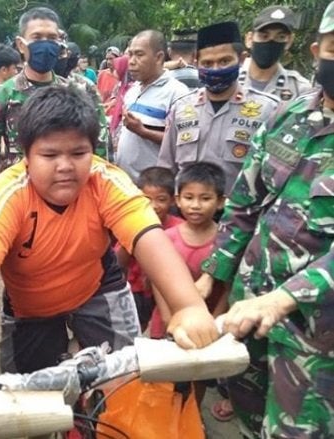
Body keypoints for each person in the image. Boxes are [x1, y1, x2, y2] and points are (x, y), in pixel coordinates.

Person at [0, 85, 220, 417]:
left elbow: (149, 237)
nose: (65, 166)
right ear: (25, 156)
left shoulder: (105, 181)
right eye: (49, 155)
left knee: (127, 386)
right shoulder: (8, 196)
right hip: (30, 307)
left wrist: (187, 306)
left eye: (78, 153)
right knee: (28, 408)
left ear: (94, 151)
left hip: (97, 289)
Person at [196, 3, 334, 437]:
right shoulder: (287, 116)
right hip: (248, 310)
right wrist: (213, 276)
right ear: (317, 50)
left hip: (315, 338)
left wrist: (281, 299)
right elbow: (244, 204)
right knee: (249, 417)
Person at [0, 6, 111, 192]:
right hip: (20, 197)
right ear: (21, 44)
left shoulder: (81, 90)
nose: (45, 44)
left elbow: (100, 150)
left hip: (70, 193)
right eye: (37, 37)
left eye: (51, 38)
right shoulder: (3, 95)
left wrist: (94, 192)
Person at [158, 21, 280, 191]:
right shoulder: (181, 108)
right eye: (207, 64)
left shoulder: (268, 110)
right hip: (186, 213)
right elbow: (166, 168)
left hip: (238, 215)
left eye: (224, 61)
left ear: (241, 59)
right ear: (196, 62)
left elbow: (274, 178)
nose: (216, 69)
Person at [149, 163, 226, 407]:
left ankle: (192, 415)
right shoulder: (168, 237)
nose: (195, 205)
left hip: (207, 325)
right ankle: (163, 417)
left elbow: (227, 286)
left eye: (205, 198)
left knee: (198, 375)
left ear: (221, 201)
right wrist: (165, 315)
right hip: (167, 320)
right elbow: (157, 279)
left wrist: (215, 319)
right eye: (189, 197)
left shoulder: (225, 242)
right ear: (177, 200)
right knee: (164, 371)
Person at [115, 166, 183, 332]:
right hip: (136, 289)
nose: (154, 206)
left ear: (173, 201)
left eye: (161, 199)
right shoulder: (130, 223)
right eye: (147, 199)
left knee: (163, 326)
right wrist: (131, 233)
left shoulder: (178, 227)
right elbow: (118, 262)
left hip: (166, 288)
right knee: (136, 327)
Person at [116, 30, 189, 182]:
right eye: (130, 54)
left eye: (139, 55)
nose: (131, 61)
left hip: (154, 191)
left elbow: (184, 142)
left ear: (159, 57)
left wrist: (143, 131)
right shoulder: (133, 90)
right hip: (126, 186)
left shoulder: (177, 93)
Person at [239, 5, 312, 101]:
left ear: (289, 41)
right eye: (264, 36)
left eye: (280, 37)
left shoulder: (300, 89)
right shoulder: (229, 79)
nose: (271, 42)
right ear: (249, 39)